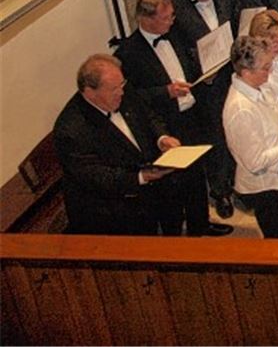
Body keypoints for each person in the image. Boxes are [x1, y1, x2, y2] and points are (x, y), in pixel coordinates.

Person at [114, 0, 232, 236]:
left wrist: (203, 73)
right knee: (173, 183)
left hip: (192, 114)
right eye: (166, 17)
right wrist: (165, 92)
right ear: (145, 20)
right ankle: (174, 233)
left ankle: (200, 223)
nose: (172, 21)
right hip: (165, 124)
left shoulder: (173, 35)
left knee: (198, 174)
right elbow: (132, 98)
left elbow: (188, 65)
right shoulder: (129, 53)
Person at [52, 54, 182, 236]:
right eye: (114, 89)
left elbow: (148, 115)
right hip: (116, 212)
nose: (121, 92)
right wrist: (142, 176)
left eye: (122, 85)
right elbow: (98, 178)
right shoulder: (71, 132)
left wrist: (162, 138)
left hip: (156, 194)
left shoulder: (121, 90)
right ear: (90, 92)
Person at [222, 36, 278, 239]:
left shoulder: (259, 87)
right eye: (265, 68)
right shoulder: (240, 109)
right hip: (268, 187)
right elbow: (255, 162)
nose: (270, 71)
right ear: (246, 72)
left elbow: (266, 123)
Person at [169, 0, 236, 218]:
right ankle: (221, 191)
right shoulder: (173, 6)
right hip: (205, 84)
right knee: (216, 135)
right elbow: (176, 52)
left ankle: (239, 182)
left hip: (229, 71)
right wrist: (199, 73)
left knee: (235, 127)